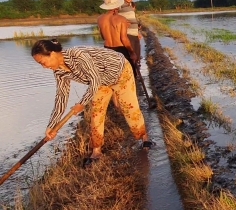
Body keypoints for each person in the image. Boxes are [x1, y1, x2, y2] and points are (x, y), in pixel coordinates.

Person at [31, 39, 154, 167]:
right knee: (96, 114)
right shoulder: (58, 71)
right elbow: (61, 97)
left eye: (43, 63)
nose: (44, 67)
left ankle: (144, 137)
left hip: (121, 72)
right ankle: (96, 151)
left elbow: (94, 80)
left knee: (129, 108)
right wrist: (52, 125)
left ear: (52, 53)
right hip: (101, 82)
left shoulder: (78, 56)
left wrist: (82, 103)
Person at [98, 0, 137, 74]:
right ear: (116, 6)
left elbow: (103, 36)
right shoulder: (121, 19)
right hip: (120, 50)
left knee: (112, 74)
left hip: (107, 50)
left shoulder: (100, 19)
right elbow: (124, 38)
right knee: (129, 74)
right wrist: (132, 52)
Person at [118, 0, 142, 68]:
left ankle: (136, 75)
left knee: (137, 56)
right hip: (128, 34)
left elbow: (133, 19)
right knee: (131, 57)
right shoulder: (120, 4)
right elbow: (114, 16)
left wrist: (137, 32)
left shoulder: (131, 5)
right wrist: (123, 22)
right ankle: (131, 75)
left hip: (134, 34)